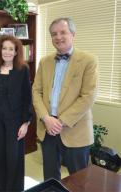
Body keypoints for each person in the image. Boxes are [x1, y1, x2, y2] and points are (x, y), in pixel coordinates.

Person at [32, 17, 98, 180]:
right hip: (47, 129)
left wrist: (60, 122)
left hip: (75, 130)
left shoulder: (88, 60)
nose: (58, 37)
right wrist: (46, 118)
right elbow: (36, 91)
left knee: (79, 179)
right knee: (50, 179)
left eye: (63, 32)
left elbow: (88, 96)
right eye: (54, 34)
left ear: (73, 34)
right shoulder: (44, 61)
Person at [0, 35, 32, 192]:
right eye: (4, 48)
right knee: (0, 159)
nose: (7, 52)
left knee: (14, 159)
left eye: (11, 49)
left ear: (16, 52)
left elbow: (28, 97)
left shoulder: (22, 70)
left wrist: (26, 123)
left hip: (15, 123)